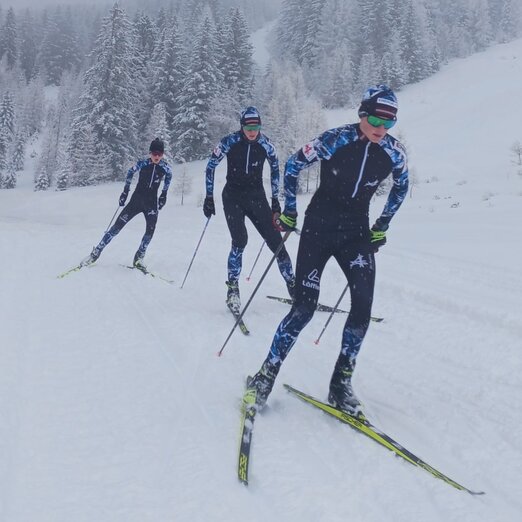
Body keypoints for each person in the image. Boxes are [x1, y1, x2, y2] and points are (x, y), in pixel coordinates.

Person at [245, 85, 409, 417]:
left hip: (356, 234)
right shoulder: (336, 138)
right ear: (363, 114)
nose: (381, 128)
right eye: (376, 118)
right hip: (319, 228)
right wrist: (290, 210)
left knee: (362, 308)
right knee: (304, 308)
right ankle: (264, 377)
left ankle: (340, 385)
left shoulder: (394, 152)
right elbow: (292, 166)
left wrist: (383, 225)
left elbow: (402, 186)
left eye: (389, 122)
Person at [203, 106, 295, 313]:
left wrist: (275, 202)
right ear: (242, 126)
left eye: (256, 126)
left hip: (256, 197)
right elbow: (210, 166)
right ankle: (233, 289)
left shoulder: (266, 145)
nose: (252, 131)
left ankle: (293, 285)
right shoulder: (229, 141)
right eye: (248, 127)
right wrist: (209, 197)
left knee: (276, 242)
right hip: (232, 197)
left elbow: (275, 171)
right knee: (240, 241)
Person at [83, 138, 172, 268]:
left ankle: (139, 258)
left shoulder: (165, 168)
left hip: (151, 204)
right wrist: (125, 192)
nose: (157, 156)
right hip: (136, 201)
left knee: (150, 232)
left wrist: (164, 194)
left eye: (160, 154)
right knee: (116, 228)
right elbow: (130, 172)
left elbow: (169, 178)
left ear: (163, 154)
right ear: (150, 153)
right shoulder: (143, 164)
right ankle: (96, 253)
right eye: (154, 153)